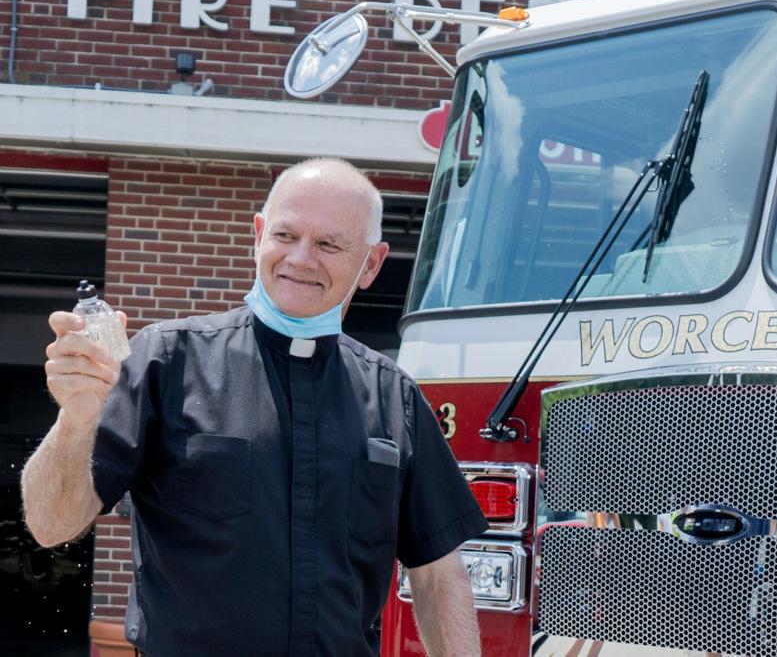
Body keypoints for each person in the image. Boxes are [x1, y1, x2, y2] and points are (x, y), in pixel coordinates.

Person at [21, 158, 489, 656]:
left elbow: (438, 571)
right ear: (259, 234)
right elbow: (52, 525)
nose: (301, 259)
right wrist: (75, 420)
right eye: (286, 236)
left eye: (329, 244)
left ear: (371, 263)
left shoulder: (395, 397)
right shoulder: (165, 361)